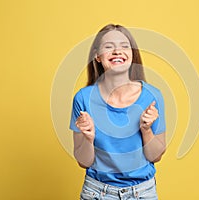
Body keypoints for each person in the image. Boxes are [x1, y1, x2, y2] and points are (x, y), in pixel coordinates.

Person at [69, 24, 166, 200]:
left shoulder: (152, 96)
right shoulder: (83, 99)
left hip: (143, 193)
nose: (117, 51)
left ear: (132, 54)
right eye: (108, 46)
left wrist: (146, 129)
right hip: (96, 192)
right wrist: (88, 138)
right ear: (97, 56)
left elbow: (156, 156)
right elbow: (83, 162)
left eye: (124, 46)